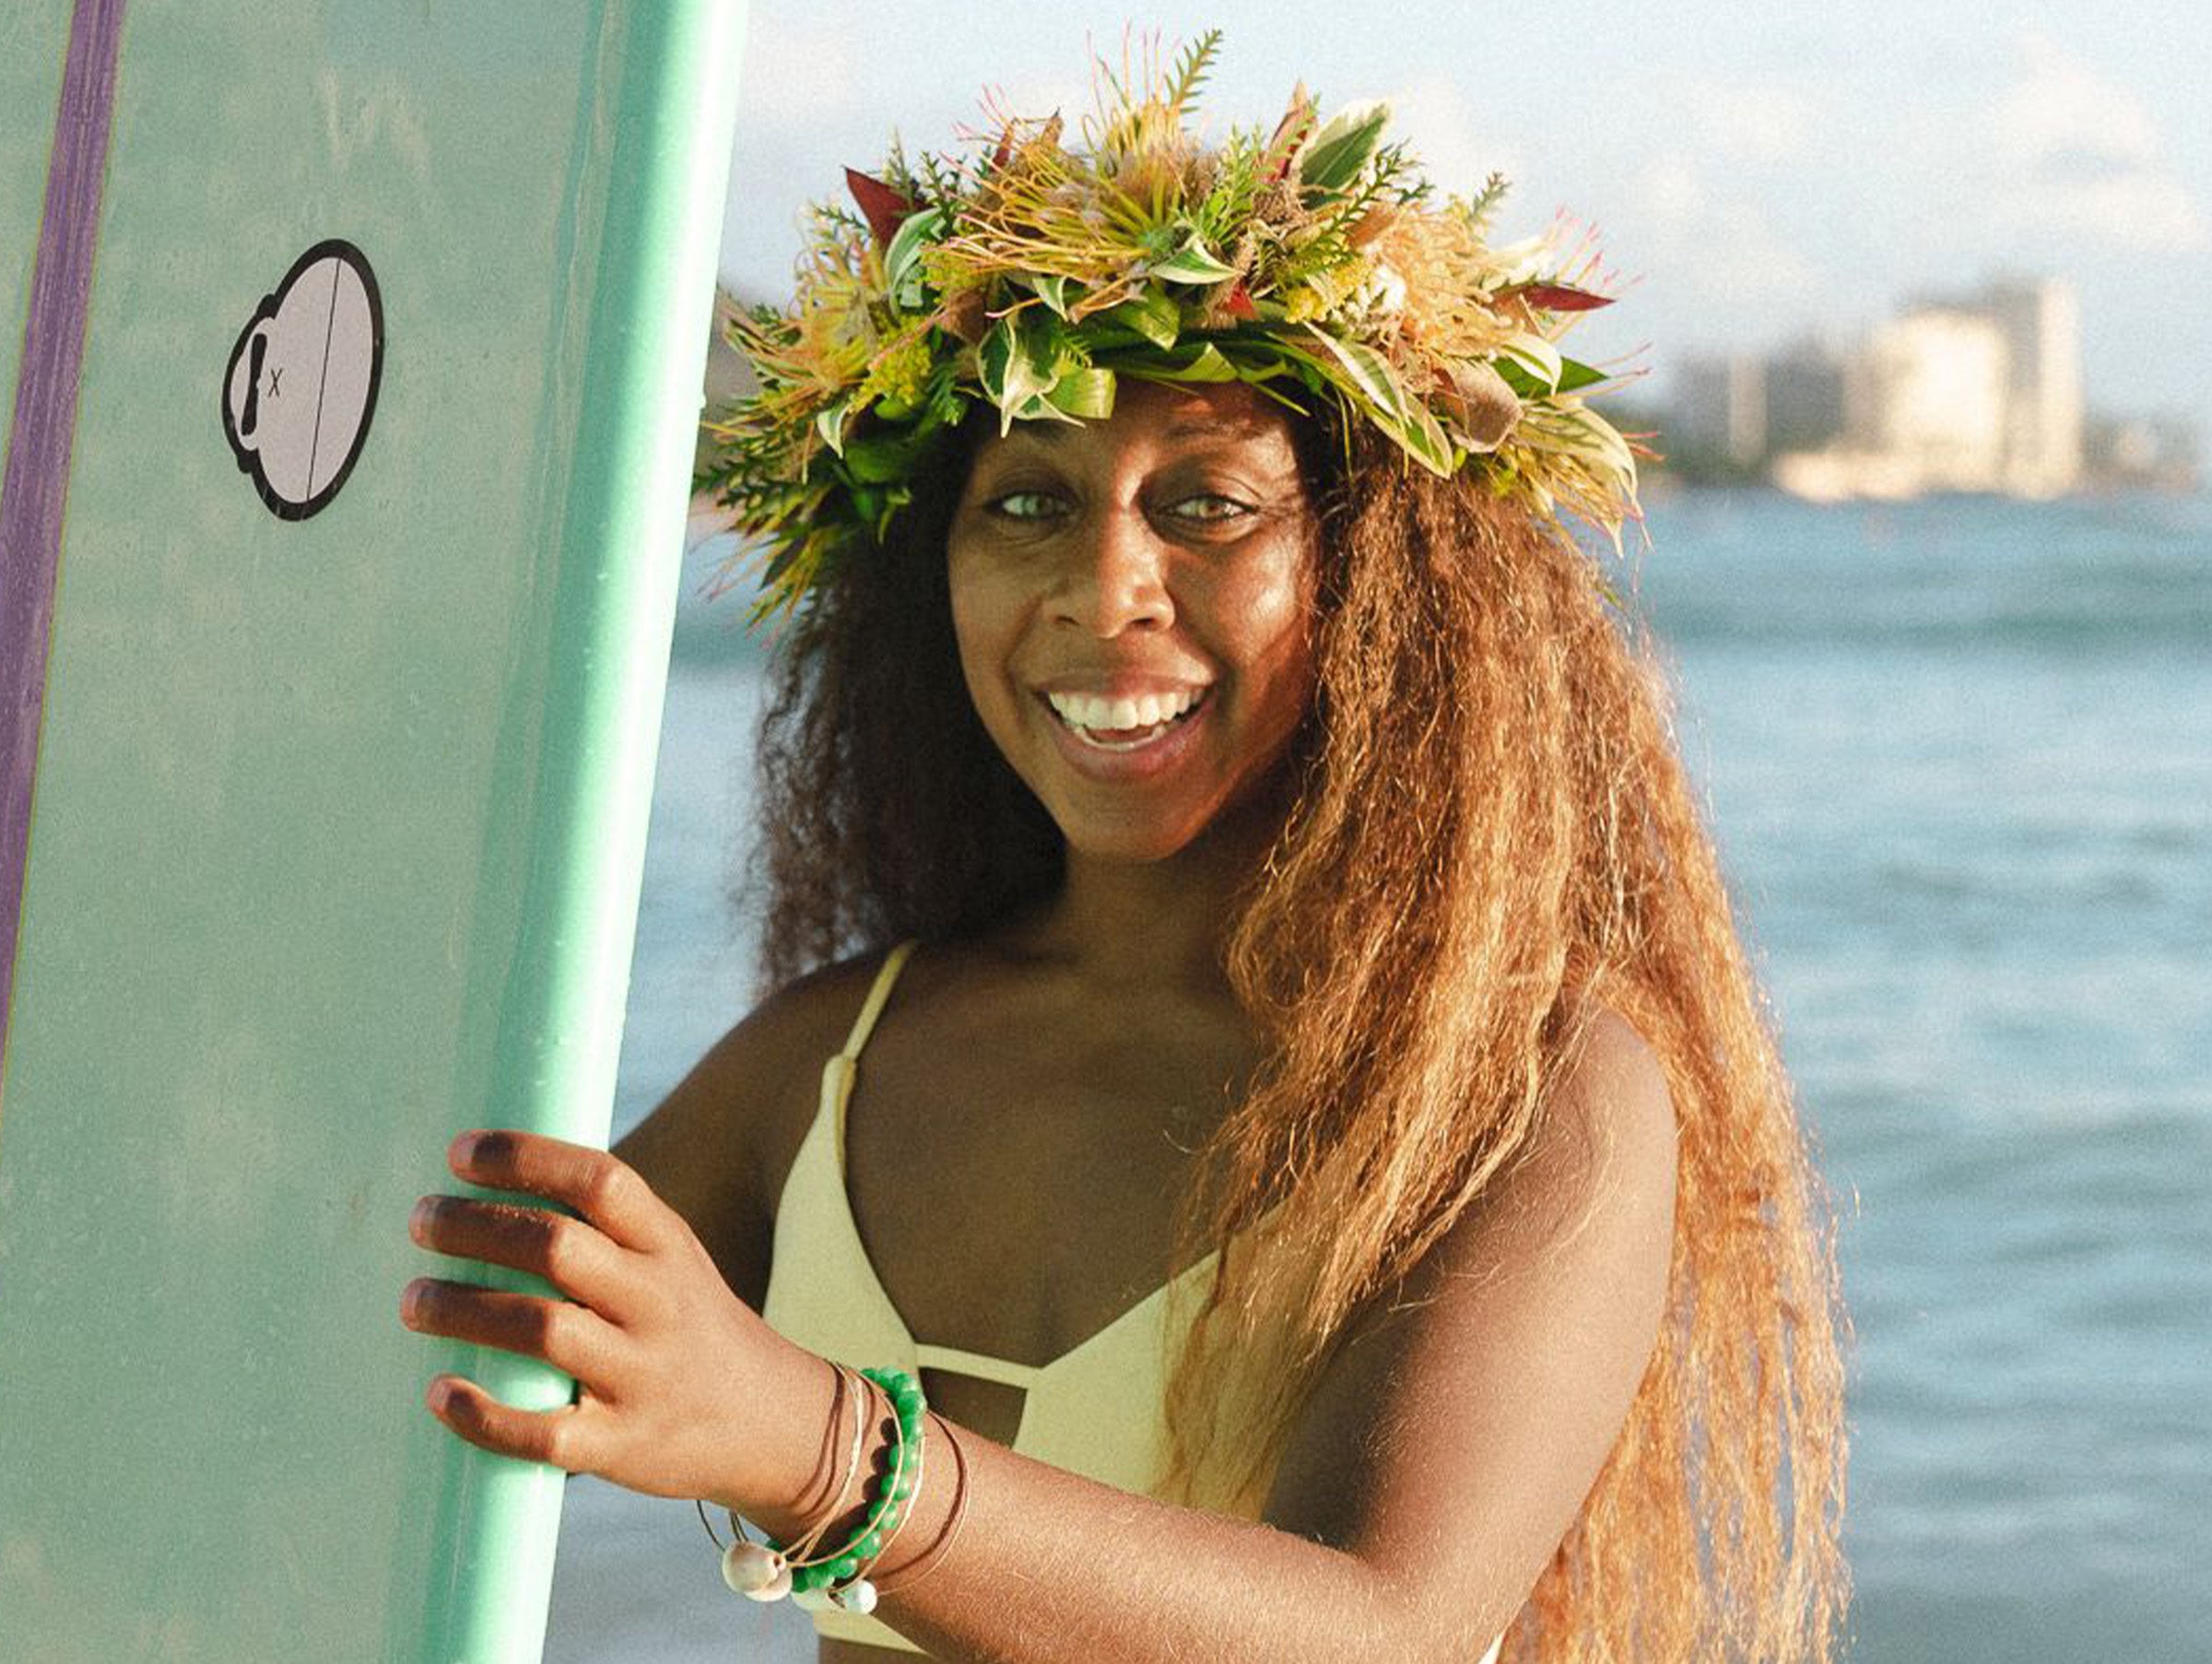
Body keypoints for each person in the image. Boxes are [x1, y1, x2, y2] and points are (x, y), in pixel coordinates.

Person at [400, 32, 1850, 1662]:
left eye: (1209, 504)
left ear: (1385, 583)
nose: (1104, 588)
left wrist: (816, 1450)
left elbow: (1386, 1629)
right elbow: (396, 1339)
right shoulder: (836, 1058)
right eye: (1026, 500)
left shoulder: (1521, 1092)